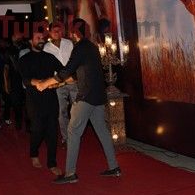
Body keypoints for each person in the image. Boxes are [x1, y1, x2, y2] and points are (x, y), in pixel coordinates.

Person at [37, 18, 121, 184]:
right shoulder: (91, 47)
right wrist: (59, 83)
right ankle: (114, 167)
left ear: (75, 32)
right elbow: (80, 72)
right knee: (102, 131)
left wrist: (46, 83)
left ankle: (70, 174)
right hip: (98, 95)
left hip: (86, 96)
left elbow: (66, 71)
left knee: (73, 131)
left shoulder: (80, 48)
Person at [19, 31, 63, 176]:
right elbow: (25, 79)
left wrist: (57, 83)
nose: (41, 40)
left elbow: (63, 72)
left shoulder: (50, 57)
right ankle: (33, 153)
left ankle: (52, 163)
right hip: (34, 101)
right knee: (37, 130)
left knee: (52, 131)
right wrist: (39, 82)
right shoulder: (24, 59)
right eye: (37, 38)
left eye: (42, 38)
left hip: (51, 99)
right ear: (31, 42)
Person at [44, 21, 79, 146]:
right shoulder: (46, 48)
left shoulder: (68, 43)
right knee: (61, 112)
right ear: (50, 32)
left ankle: (75, 134)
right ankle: (66, 138)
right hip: (58, 83)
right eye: (54, 31)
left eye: (59, 31)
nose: (57, 33)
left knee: (77, 110)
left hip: (72, 81)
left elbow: (75, 60)